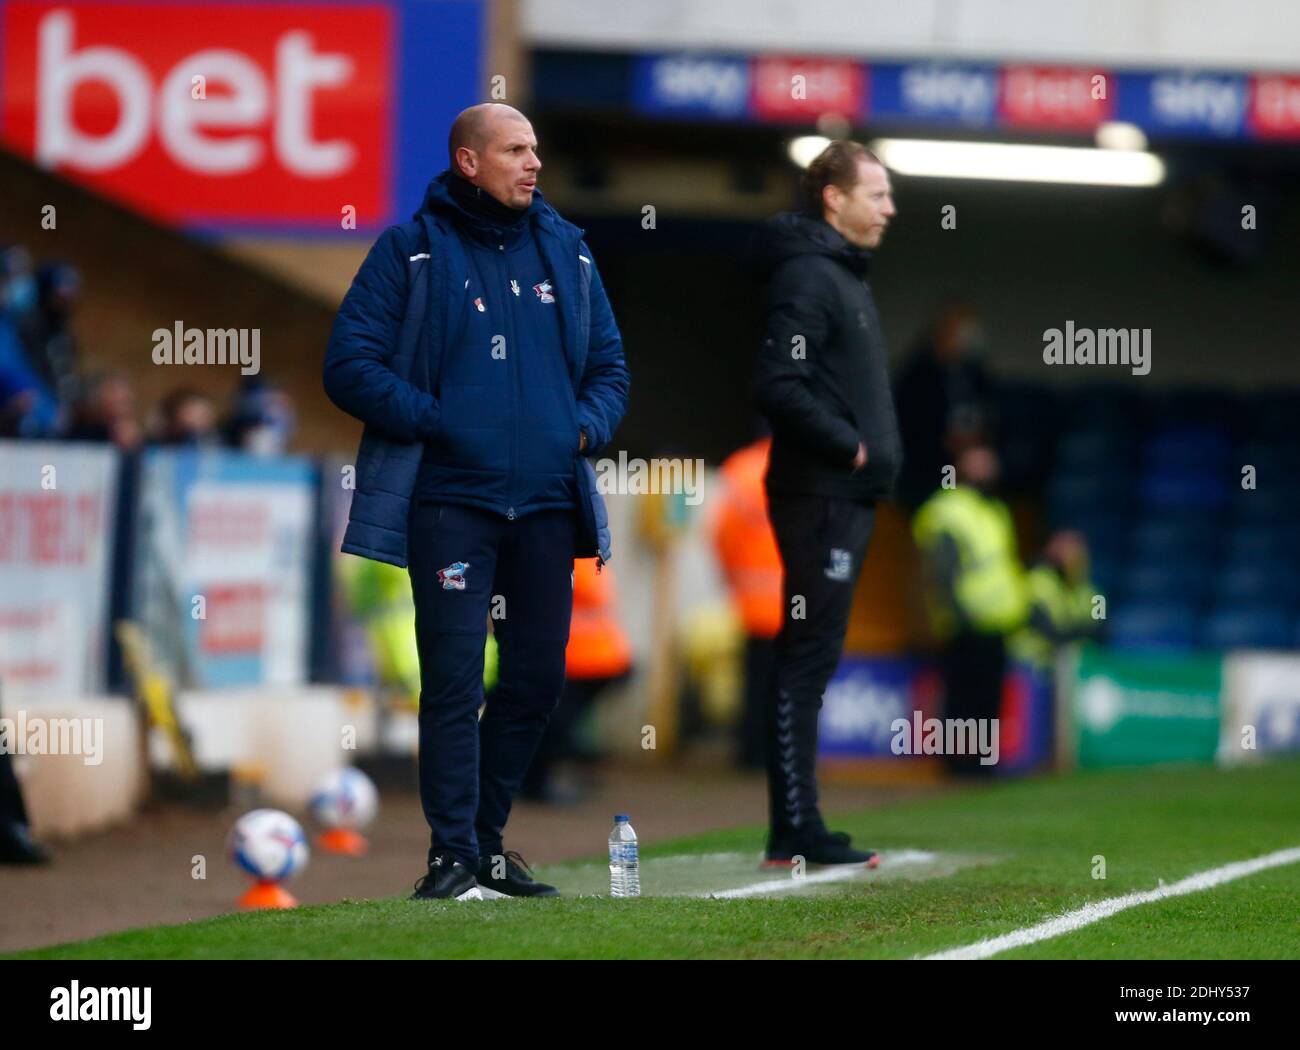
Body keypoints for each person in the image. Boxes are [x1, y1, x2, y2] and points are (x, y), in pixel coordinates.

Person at [324, 103, 629, 901]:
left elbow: (610, 370)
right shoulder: (411, 251)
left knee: (533, 683)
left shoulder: (567, 250)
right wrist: (438, 420)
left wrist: (582, 429)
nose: (534, 164)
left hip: (546, 507)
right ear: (469, 162)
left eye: (536, 149)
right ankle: (451, 855)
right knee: (455, 684)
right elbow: (348, 365)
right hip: (450, 505)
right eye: (516, 150)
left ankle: (488, 847)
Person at [752, 140, 902, 867]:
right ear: (834, 199)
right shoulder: (811, 275)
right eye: (877, 194)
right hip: (820, 494)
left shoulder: (842, 275)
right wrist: (851, 446)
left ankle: (799, 825)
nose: (890, 208)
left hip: (843, 496)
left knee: (813, 655)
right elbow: (780, 383)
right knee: (806, 657)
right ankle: (794, 829)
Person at [912, 445, 1028, 777]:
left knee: (988, 698)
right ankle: (958, 765)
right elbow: (941, 570)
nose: (987, 472)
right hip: (964, 622)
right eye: (979, 465)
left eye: (989, 465)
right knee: (962, 696)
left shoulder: (995, 511)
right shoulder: (948, 510)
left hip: (998, 620)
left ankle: (982, 763)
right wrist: (955, 613)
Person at [520, 557, 632, 802]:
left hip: (593, 657)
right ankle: (535, 779)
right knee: (555, 723)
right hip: (577, 658)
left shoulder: (581, 555)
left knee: (558, 723)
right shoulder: (575, 555)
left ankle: (540, 774)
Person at [709, 434, 783, 769]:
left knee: (755, 678)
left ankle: (751, 752)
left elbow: (722, 531)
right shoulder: (810, 465)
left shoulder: (741, 468)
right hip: (798, 598)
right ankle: (781, 752)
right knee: (789, 682)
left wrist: (733, 577)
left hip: (752, 598)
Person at [894, 302, 996, 511]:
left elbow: (990, 417)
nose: (967, 338)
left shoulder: (975, 374)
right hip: (927, 475)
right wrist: (954, 454)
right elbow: (912, 436)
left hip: (972, 472)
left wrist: (980, 449)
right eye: (960, 330)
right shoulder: (916, 376)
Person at [1009, 530, 1099, 672]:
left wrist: (1078, 631)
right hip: (1032, 666)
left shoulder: (1094, 595)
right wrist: (1081, 630)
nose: (1072, 557)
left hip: (1075, 668)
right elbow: (1051, 631)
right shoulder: (1037, 582)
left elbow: (1100, 630)